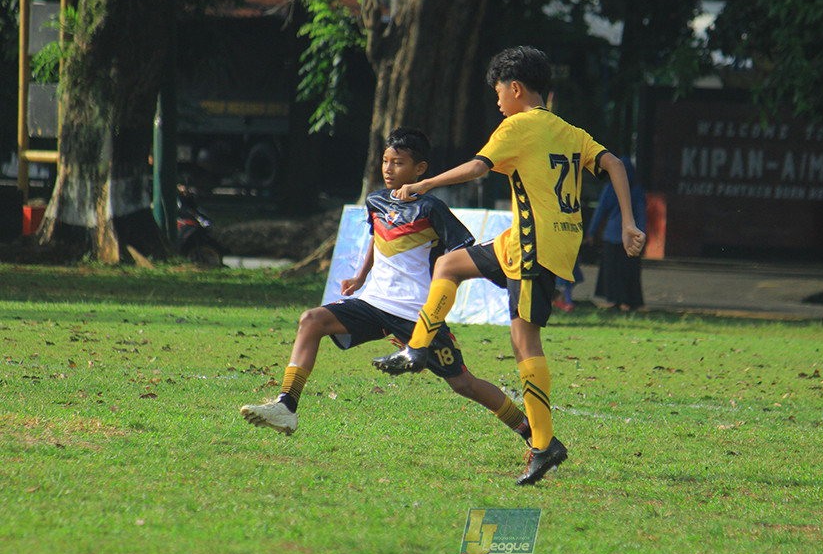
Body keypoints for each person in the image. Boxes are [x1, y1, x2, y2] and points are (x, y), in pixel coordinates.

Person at [372, 46, 646, 486]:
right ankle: (418, 348)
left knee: (525, 342)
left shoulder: (517, 125)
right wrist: (629, 222)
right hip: (528, 241)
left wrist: (424, 184)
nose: (497, 101)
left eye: (499, 92)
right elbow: (613, 163)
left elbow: (477, 167)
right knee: (450, 265)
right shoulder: (568, 130)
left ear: (515, 88)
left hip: (535, 247)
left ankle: (544, 445)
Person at [240, 127, 532, 451]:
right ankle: (287, 406)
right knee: (311, 320)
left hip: (417, 314)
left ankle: (531, 431)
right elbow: (376, 238)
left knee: (464, 384)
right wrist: (361, 277)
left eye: (398, 163)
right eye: (385, 161)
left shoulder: (431, 208)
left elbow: (463, 252)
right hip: (374, 303)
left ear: (420, 169)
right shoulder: (376, 201)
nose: (389, 169)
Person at [588, 157, 647, 311]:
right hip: (631, 237)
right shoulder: (637, 190)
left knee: (611, 270)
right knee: (629, 271)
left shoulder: (611, 187)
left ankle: (613, 300)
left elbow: (600, 210)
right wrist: (642, 235)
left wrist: (591, 232)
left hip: (611, 235)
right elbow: (641, 214)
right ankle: (630, 301)